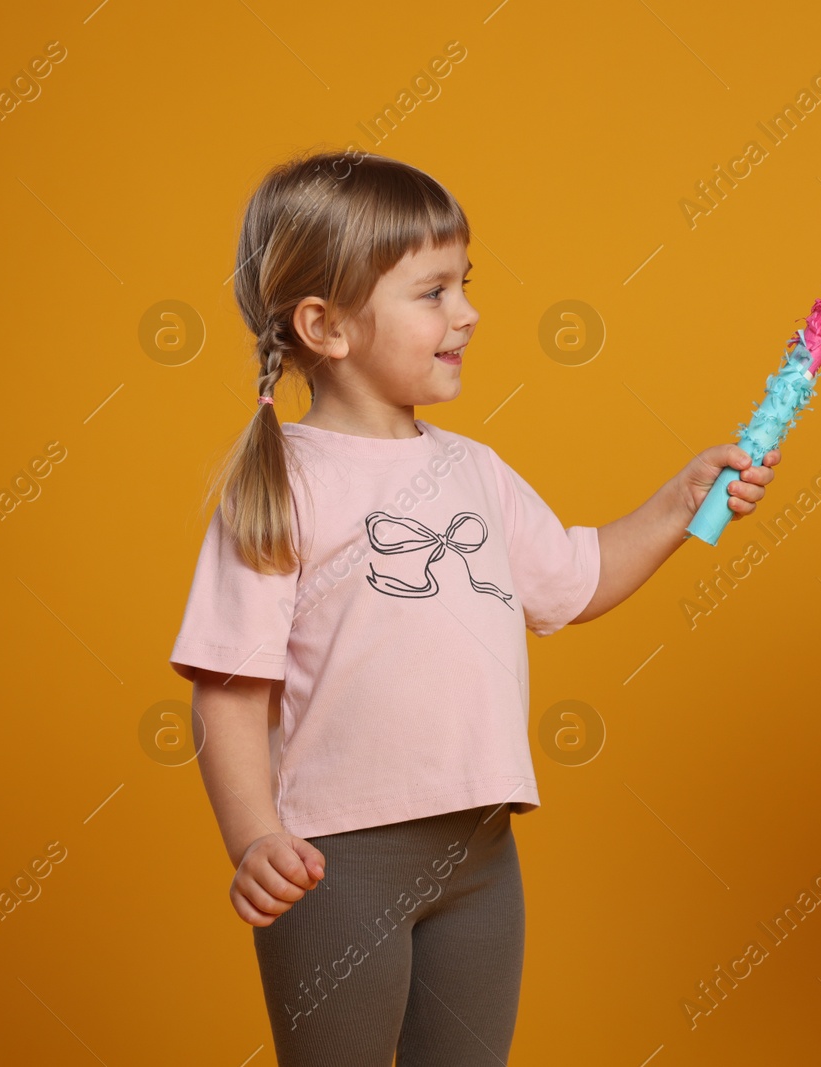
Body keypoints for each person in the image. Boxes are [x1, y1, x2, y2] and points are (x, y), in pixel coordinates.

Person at [168, 152, 780, 1065]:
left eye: (467, 284)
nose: (469, 312)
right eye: (434, 291)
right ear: (325, 326)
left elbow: (575, 577)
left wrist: (675, 505)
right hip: (337, 867)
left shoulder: (475, 472)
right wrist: (254, 834)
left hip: (483, 859)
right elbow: (227, 687)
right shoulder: (283, 486)